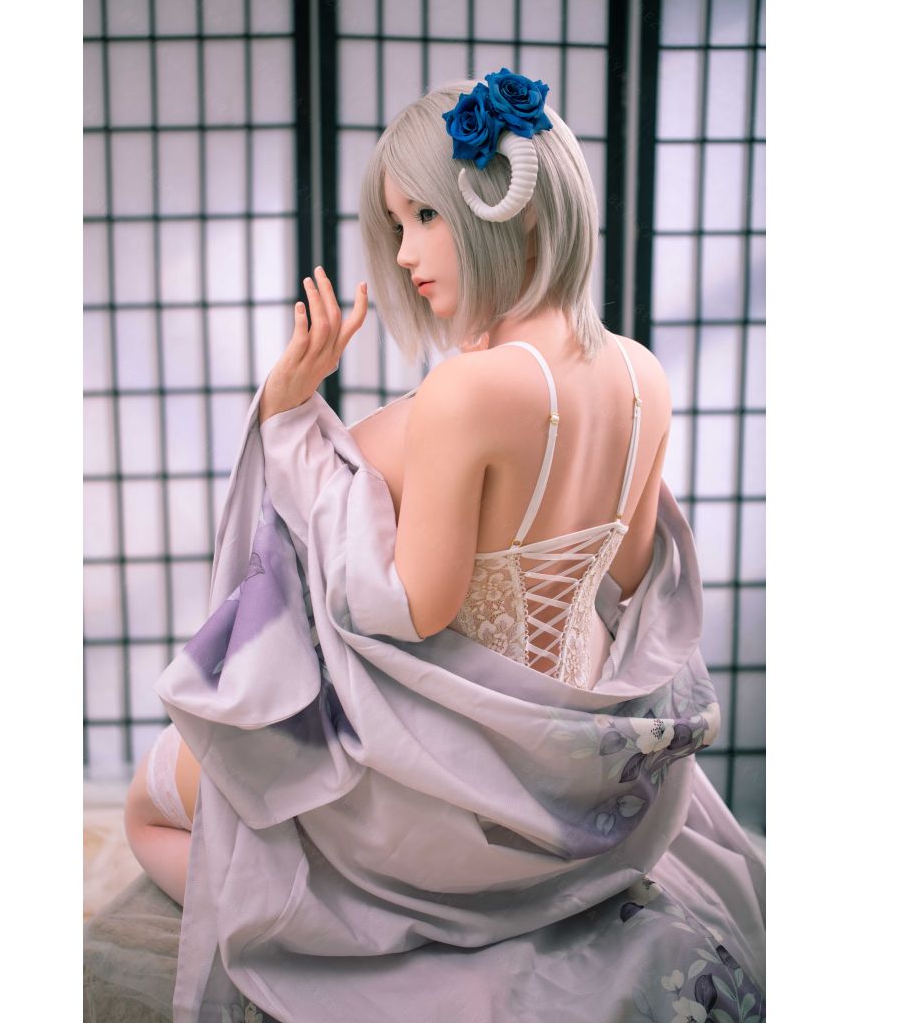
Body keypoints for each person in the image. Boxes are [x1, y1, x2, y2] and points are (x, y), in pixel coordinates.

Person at [119, 72, 764, 1022]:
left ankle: (340, 942)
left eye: (426, 214)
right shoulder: (642, 377)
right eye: (398, 222)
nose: (406, 253)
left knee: (149, 807)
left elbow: (411, 607)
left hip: (442, 791)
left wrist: (299, 429)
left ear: (513, 210)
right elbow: (628, 581)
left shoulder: (469, 391)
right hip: (575, 800)